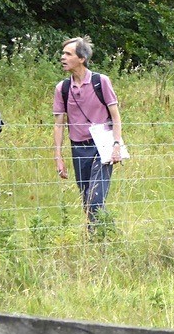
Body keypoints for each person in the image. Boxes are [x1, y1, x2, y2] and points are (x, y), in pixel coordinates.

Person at [53, 36, 124, 229]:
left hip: (101, 147)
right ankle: (105, 233)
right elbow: (58, 124)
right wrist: (58, 156)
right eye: (63, 53)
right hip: (78, 148)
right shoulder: (62, 88)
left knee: (95, 198)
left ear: (82, 58)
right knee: (86, 197)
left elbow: (116, 117)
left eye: (68, 54)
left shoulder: (101, 82)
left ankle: (98, 234)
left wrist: (116, 145)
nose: (63, 57)